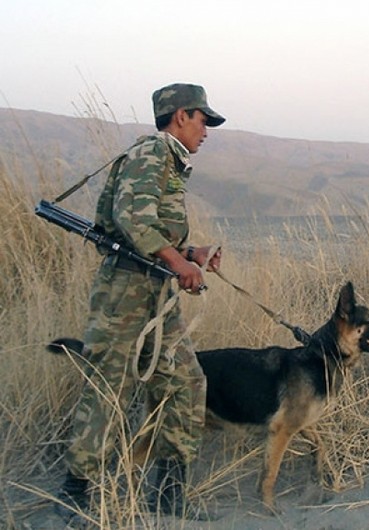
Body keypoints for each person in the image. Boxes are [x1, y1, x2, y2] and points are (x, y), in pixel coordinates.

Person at [55, 83, 225, 522]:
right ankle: (77, 495)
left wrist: (190, 255)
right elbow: (132, 219)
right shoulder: (152, 153)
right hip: (125, 294)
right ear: (182, 115)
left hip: (155, 293)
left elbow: (149, 231)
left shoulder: (169, 160)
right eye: (203, 120)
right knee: (108, 389)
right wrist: (178, 262)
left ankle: (169, 497)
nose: (206, 131)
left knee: (186, 384)